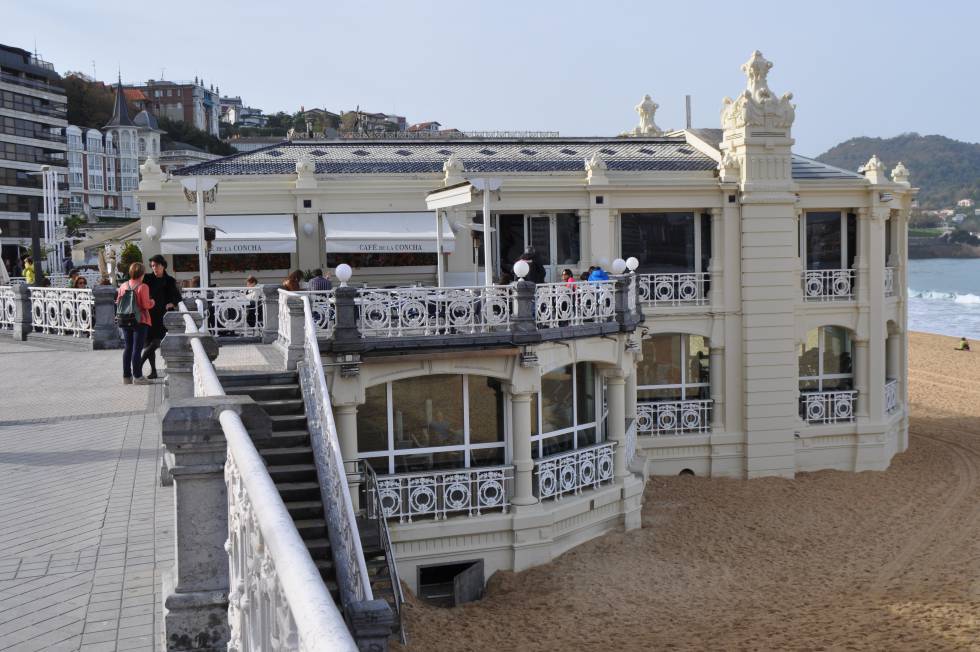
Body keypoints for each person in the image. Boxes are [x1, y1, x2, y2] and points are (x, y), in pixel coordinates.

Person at [141, 255, 182, 379]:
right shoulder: (147, 278)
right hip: (148, 314)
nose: (155, 268)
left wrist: (172, 303)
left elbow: (177, 297)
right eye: (153, 266)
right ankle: (153, 371)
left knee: (157, 342)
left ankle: (138, 364)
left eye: (157, 265)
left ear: (163, 265)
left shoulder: (169, 280)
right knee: (148, 343)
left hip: (162, 316)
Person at [116, 262, 155, 385]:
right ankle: (138, 377)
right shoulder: (143, 287)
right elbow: (145, 305)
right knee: (137, 349)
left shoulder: (123, 286)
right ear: (142, 273)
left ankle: (126, 377)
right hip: (140, 320)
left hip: (125, 319)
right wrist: (152, 302)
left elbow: (118, 302)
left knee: (128, 348)